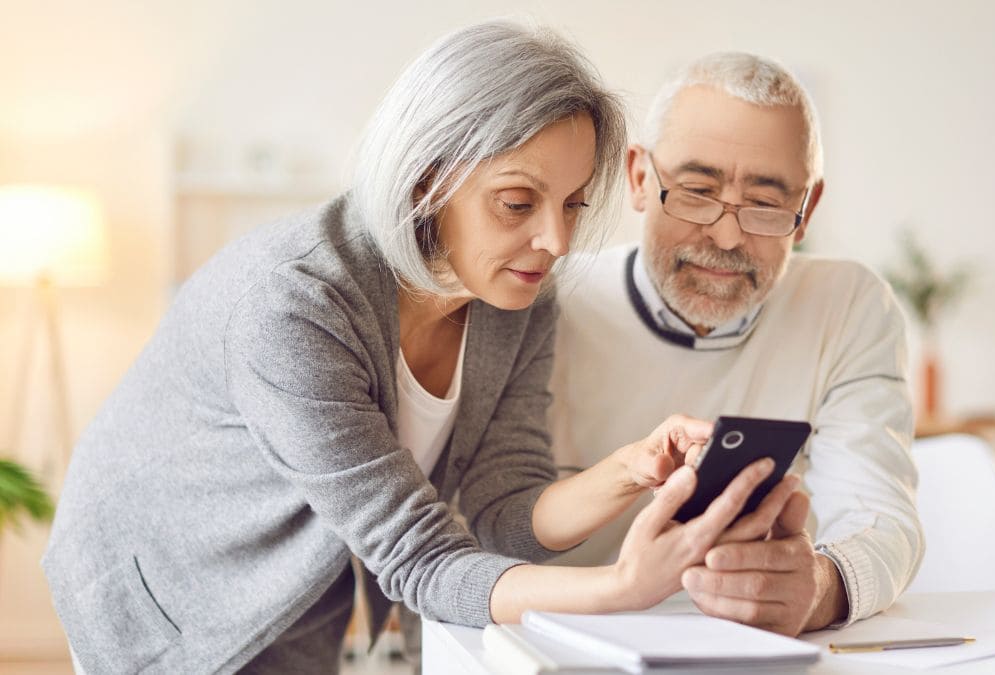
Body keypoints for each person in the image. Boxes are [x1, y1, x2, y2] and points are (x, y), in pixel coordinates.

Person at [42, 24, 782, 673]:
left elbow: (503, 509)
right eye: (519, 203)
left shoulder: (516, 298)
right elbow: (419, 559)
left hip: (295, 596)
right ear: (427, 178)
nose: (555, 241)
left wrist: (632, 467)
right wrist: (621, 587)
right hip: (157, 592)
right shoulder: (291, 305)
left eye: (572, 204)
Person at [548, 52, 925, 636]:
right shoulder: (550, 300)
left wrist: (822, 586)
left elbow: (880, 516)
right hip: (552, 638)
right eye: (697, 191)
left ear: (807, 210)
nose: (727, 235)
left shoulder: (849, 306)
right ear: (641, 178)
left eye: (766, 204)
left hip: (752, 649)